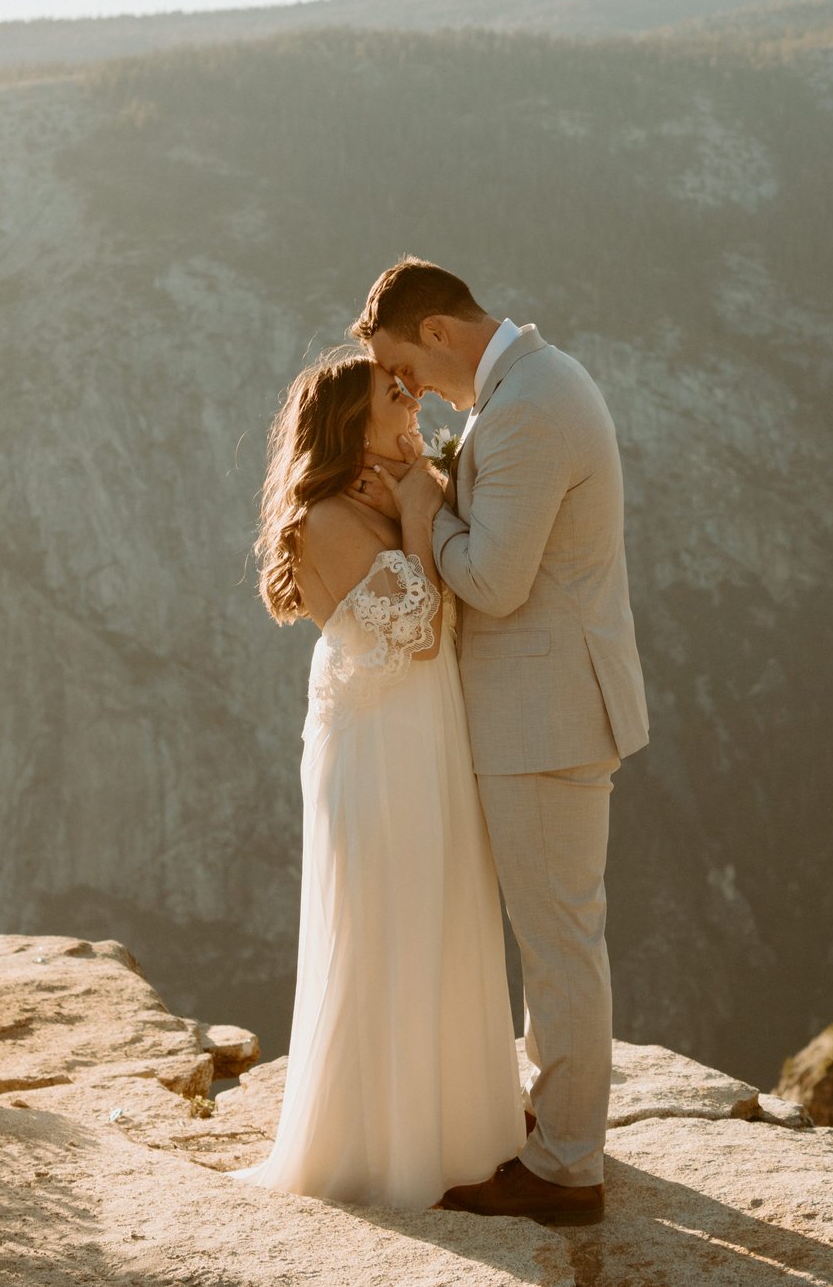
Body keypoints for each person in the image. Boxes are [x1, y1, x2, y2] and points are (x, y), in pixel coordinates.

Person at [354, 257, 649, 1228]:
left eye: (407, 365)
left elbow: (492, 579)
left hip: (545, 714)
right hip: (543, 708)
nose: (412, 390)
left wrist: (418, 511)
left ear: (439, 329)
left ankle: (566, 1167)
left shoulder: (526, 405)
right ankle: (554, 1121)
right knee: (554, 933)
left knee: (561, 942)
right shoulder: (531, 386)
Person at [230, 347, 525, 1209]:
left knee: (443, 914)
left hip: (423, 739)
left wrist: (413, 492)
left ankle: (460, 1125)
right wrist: (411, 502)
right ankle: (384, 1150)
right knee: (390, 926)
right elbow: (424, 628)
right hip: (381, 755)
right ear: (352, 426)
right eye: (388, 393)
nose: (409, 396)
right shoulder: (324, 516)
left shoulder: (393, 488)